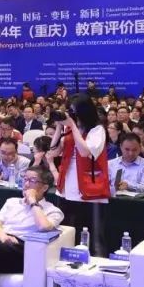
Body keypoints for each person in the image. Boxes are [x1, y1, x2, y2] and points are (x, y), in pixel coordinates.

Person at [49, 94, 108, 255]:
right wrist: (59, 127)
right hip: (67, 185)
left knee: (91, 233)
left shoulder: (97, 130)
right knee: (68, 231)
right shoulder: (68, 129)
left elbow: (84, 152)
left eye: (74, 111)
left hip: (89, 188)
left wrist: (73, 127)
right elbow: (54, 151)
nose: (71, 115)